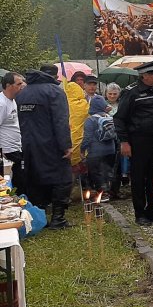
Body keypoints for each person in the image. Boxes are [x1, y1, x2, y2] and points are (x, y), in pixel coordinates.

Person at [16, 65, 73, 228]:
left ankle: (37, 216)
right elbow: (60, 121)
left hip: (27, 145)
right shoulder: (55, 92)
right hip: (52, 144)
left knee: (35, 178)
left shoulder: (22, 93)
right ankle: (58, 218)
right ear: (55, 76)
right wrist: (66, 146)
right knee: (62, 179)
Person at [114, 60, 153, 226]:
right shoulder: (131, 92)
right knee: (138, 177)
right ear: (144, 76)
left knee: (152, 176)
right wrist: (124, 142)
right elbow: (119, 118)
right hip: (138, 139)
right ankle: (140, 213)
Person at [81, 97, 116, 201]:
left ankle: (102, 194)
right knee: (107, 171)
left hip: (96, 152)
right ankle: (108, 192)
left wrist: (82, 149)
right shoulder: (109, 117)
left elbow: (87, 138)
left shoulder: (90, 120)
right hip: (111, 150)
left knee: (96, 172)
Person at [0, 73, 26, 195]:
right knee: (16, 180)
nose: (22, 86)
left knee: (21, 178)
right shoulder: (2, 104)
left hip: (17, 146)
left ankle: (21, 201)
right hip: (8, 150)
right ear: (9, 85)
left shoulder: (13, 101)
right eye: (19, 84)